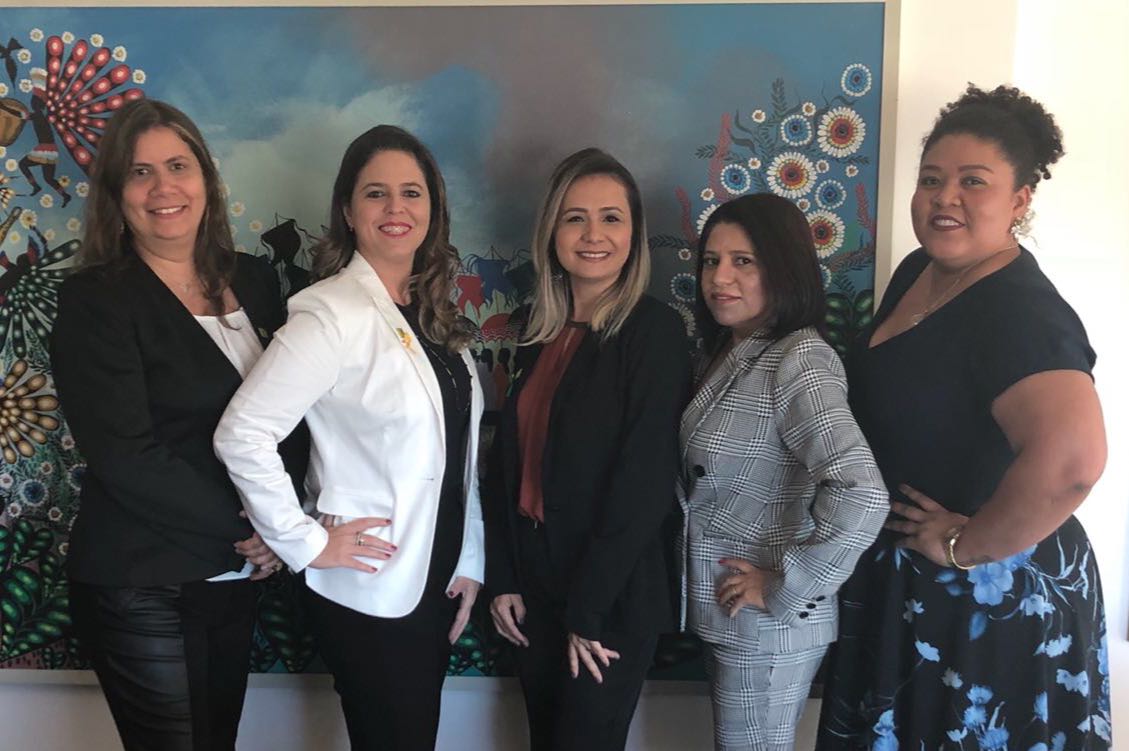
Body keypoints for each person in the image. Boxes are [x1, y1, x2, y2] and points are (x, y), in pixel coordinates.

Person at [817, 85, 1110, 749]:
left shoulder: (1019, 311)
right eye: (931, 179)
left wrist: (966, 546)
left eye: (972, 181)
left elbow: (1072, 461)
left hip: (987, 597)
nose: (944, 197)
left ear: (1019, 200)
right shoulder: (919, 271)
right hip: (911, 585)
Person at [213, 125, 485, 751]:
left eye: (412, 193)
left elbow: (460, 457)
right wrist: (305, 542)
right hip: (369, 586)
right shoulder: (329, 312)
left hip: (435, 579)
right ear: (347, 210)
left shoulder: (435, 314)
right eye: (375, 193)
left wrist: (469, 559)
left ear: (433, 209)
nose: (396, 208)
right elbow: (242, 434)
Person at [51, 98, 304, 751]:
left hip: (235, 577)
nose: (163, 187)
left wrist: (285, 522)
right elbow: (126, 454)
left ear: (206, 180)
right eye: (140, 173)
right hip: (142, 577)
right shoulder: (95, 300)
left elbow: (294, 413)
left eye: (177, 166)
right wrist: (255, 527)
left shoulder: (254, 280)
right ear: (117, 194)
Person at [484, 147, 691, 751]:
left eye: (611, 218)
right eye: (575, 218)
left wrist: (588, 611)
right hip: (534, 586)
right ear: (552, 232)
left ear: (634, 234)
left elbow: (644, 484)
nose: (593, 234)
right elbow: (506, 466)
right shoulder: (536, 330)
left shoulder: (654, 333)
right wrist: (504, 578)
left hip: (609, 595)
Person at [678, 193, 888, 751]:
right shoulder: (732, 351)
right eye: (711, 260)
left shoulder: (799, 360)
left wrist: (784, 585)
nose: (720, 277)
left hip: (769, 626)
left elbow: (862, 493)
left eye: (743, 261)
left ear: (784, 268)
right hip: (730, 615)